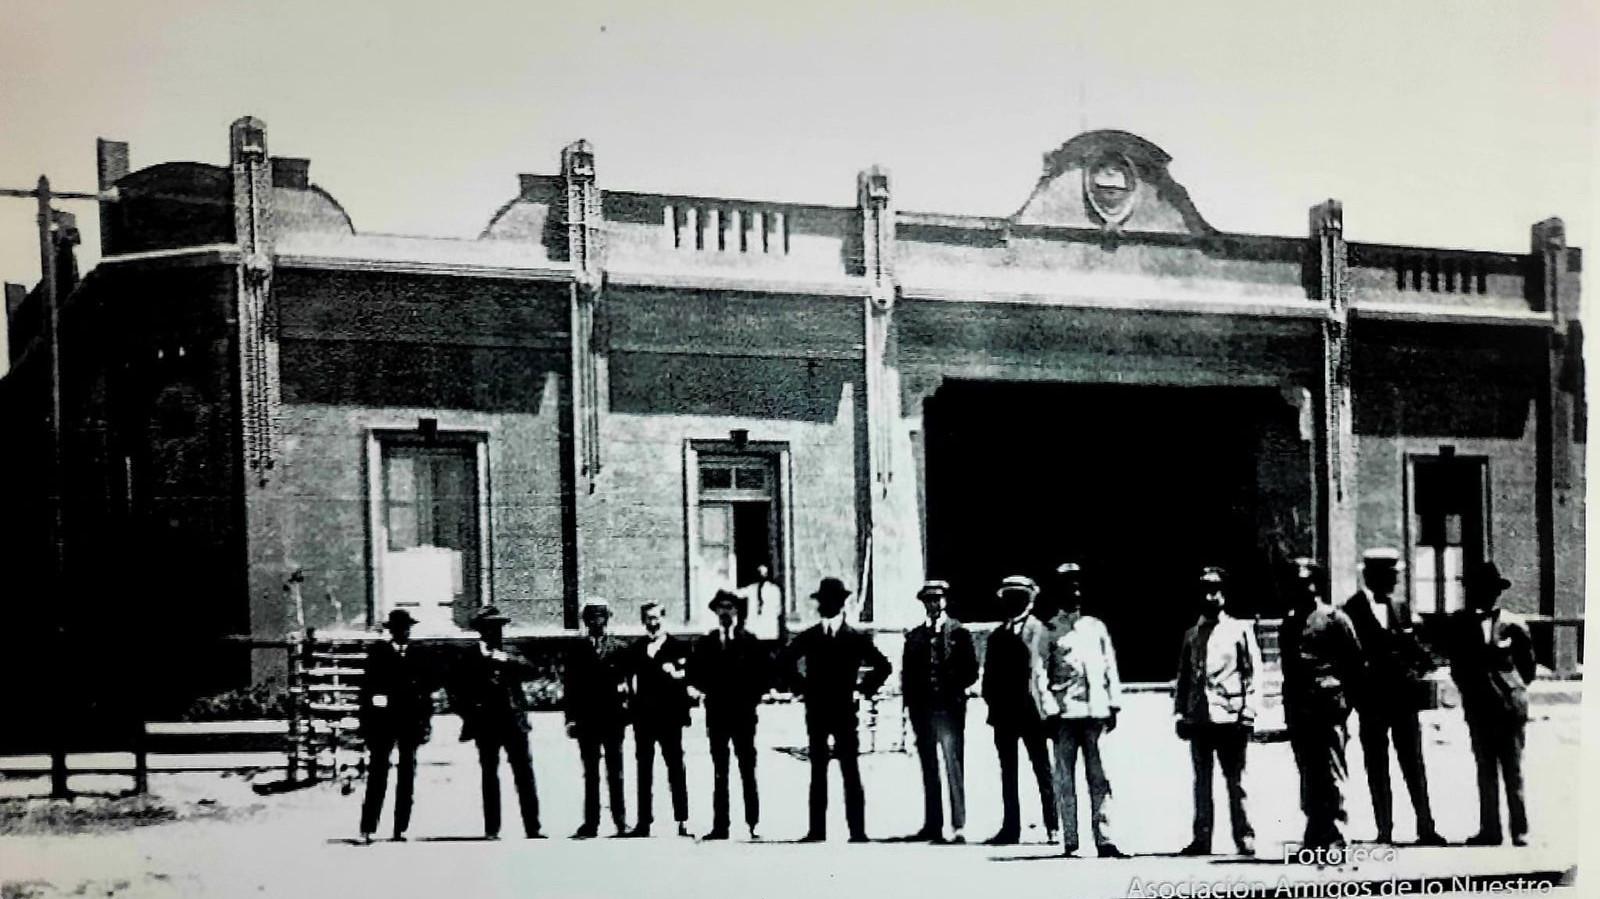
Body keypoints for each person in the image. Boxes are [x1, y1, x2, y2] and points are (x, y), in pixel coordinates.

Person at [777, 576, 892, 843]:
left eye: (831, 601)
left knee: (850, 770)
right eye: (823, 601)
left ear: (841, 604)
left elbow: (883, 666)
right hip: (817, 710)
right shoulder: (811, 636)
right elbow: (783, 661)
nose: (825, 606)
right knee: (818, 770)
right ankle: (817, 830)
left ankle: (857, 831)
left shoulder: (854, 638)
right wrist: (801, 688)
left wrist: (863, 689)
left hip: (844, 711)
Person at [1343, 548, 1445, 846]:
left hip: (1403, 700)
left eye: (1396, 575)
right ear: (1371, 576)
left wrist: (1426, 664)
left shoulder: (1400, 607)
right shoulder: (1351, 609)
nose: (1396, 581)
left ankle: (1426, 828)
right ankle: (1384, 829)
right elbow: (1347, 657)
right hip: (1371, 702)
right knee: (1377, 766)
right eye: (1391, 575)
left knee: (1414, 763)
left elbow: (1413, 647)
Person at [1173, 567, 1262, 857]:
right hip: (1199, 717)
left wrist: (1249, 710)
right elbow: (1184, 678)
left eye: (1216, 590)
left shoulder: (1239, 630)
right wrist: (1180, 714)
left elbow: (1253, 674)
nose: (1210, 597)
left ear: (1224, 594)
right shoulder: (1192, 634)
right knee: (1202, 782)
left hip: (1230, 717)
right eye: (1205, 591)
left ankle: (1245, 837)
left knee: (1237, 780)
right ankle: (1202, 839)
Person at [1041, 562, 1126, 858]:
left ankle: (1105, 839)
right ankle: (1071, 840)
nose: (1074, 593)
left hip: (1095, 712)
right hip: (1064, 714)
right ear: (1059, 592)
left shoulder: (1095, 627)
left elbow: (1110, 666)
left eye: (1077, 588)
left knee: (1100, 777)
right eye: (1068, 588)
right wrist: (1049, 711)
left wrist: (1113, 704)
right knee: (1065, 778)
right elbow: (1039, 673)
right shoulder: (1050, 630)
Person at [1449, 562, 1537, 847]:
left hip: (1510, 708)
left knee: (1513, 768)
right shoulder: (1460, 624)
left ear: (1497, 593)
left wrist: (1511, 689)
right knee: (1485, 768)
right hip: (1479, 707)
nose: (1484, 596)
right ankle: (1490, 830)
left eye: (1489, 590)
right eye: (1477, 590)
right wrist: (1472, 692)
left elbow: (1528, 668)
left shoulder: (1514, 624)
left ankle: (1520, 830)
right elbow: (1457, 666)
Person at [1279, 558, 1365, 852]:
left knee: (1332, 773)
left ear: (1316, 585)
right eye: (1295, 584)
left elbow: (1354, 664)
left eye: (1306, 583)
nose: (1300, 589)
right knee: (1308, 773)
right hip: (1300, 710)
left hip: (1328, 709)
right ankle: (1315, 834)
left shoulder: (1335, 619)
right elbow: (1288, 670)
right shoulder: (1290, 624)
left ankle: (1337, 835)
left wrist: (1344, 703)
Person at [449, 605, 543, 840]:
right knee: (489, 774)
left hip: (514, 722)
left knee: (524, 773)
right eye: (491, 628)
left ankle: (533, 827)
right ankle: (492, 828)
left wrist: (507, 660)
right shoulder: (469, 656)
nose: (497, 632)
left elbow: (533, 671)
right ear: (482, 631)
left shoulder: (510, 652)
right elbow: (455, 691)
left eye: (499, 627)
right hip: (486, 724)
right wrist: (470, 714)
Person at [980, 575, 1060, 846]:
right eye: (1010, 598)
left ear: (1030, 600)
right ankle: (1010, 827)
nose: (1015, 603)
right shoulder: (997, 635)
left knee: (1043, 769)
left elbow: (1047, 670)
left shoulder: (1041, 631)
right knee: (1008, 772)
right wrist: (992, 702)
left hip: (1032, 713)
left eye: (1020, 597)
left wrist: (1048, 709)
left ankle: (1053, 825)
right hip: (1004, 714)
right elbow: (989, 675)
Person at [900, 579, 979, 843]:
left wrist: (954, 690)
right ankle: (933, 824)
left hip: (949, 710)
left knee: (953, 765)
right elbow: (907, 676)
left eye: (937, 599)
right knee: (929, 767)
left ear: (945, 601)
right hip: (923, 711)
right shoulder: (914, 636)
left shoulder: (959, 632)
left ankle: (959, 825)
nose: (933, 605)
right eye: (928, 600)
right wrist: (910, 707)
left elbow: (971, 670)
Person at [689, 589, 771, 841]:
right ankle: (720, 826)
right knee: (720, 770)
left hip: (744, 716)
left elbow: (765, 674)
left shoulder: (750, 642)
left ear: (737, 611)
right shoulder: (707, 643)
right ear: (716, 612)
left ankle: (753, 823)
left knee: (747, 768)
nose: (725, 612)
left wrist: (753, 698)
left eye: (730, 607)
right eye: (721, 608)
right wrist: (699, 690)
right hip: (717, 715)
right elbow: (694, 673)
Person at [357, 609, 435, 844]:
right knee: (378, 773)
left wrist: (425, 723)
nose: (404, 632)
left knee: (407, 774)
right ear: (392, 631)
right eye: (400, 628)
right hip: (383, 723)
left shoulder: (419, 654)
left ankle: (401, 828)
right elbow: (366, 690)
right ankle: (368, 827)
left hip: (410, 722)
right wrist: (367, 724)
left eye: (407, 628)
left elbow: (425, 693)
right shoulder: (378, 653)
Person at [623, 601, 693, 838]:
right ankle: (644, 822)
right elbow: (629, 679)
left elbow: (690, 677)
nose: (652, 623)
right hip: (643, 719)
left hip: (669, 719)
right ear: (643, 621)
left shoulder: (678, 647)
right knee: (644, 769)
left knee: (675, 768)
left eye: (656, 618)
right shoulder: (637, 648)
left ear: (663, 618)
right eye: (648, 618)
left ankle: (682, 820)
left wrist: (677, 674)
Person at [564, 599, 630, 838]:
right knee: (591, 773)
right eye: (591, 617)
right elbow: (570, 687)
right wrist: (570, 719)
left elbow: (628, 684)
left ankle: (621, 822)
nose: (596, 621)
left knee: (616, 771)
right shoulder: (576, 650)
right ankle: (591, 823)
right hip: (587, 720)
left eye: (601, 616)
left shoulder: (619, 648)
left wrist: (627, 709)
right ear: (585, 620)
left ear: (607, 618)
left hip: (613, 719)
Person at [739, 562, 784, 640]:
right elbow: (738, 593)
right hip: (758, 631)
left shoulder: (774, 589)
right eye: (760, 572)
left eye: (763, 573)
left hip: (766, 631)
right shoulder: (752, 588)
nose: (762, 575)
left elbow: (778, 609)